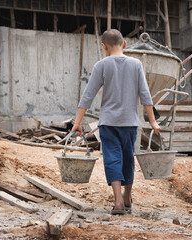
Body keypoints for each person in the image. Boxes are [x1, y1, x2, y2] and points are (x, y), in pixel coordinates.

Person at [71, 29, 160, 215]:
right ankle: (128, 197)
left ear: (104, 47)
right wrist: (153, 122)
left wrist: (77, 123)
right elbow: (145, 95)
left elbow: (88, 95)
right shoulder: (136, 64)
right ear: (124, 44)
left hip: (108, 124)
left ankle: (118, 201)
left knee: (113, 159)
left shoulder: (101, 65)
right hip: (130, 124)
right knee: (128, 158)